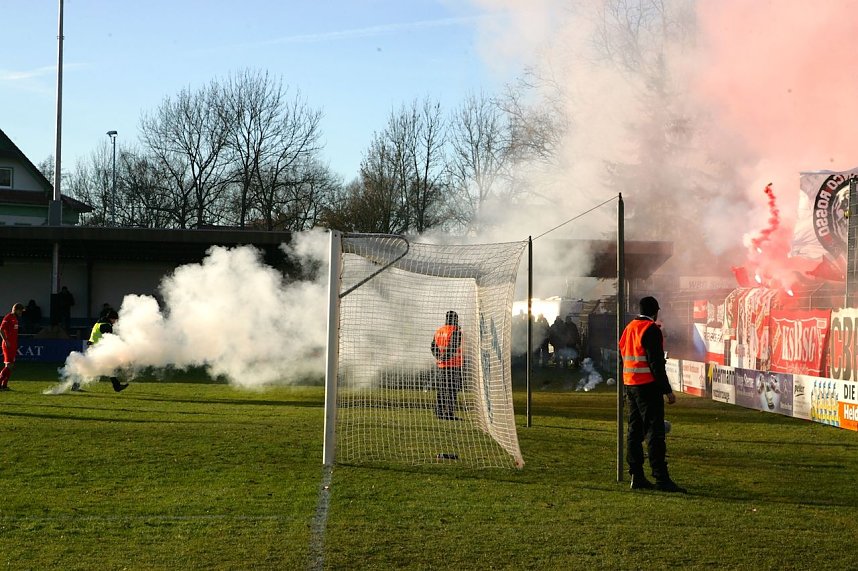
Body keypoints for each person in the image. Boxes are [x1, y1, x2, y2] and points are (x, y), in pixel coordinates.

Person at [619, 296, 686, 493]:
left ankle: (636, 475)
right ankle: (661, 478)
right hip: (647, 387)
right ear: (656, 312)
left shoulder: (629, 327)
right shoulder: (651, 330)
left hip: (630, 384)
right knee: (655, 433)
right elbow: (656, 363)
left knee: (634, 431)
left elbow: (622, 354)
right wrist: (667, 391)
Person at [81, 309, 128, 393]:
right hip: (97, 348)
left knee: (96, 367)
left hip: (93, 347)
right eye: (115, 319)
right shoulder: (106, 326)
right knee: (107, 367)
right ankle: (117, 386)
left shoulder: (99, 323)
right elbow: (108, 339)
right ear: (111, 318)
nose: (115, 322)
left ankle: (117, 386)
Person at [431, 310, 463, 420]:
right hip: (452, 366)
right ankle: (449, 413)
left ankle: (439, 412)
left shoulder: (439, 331)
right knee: (452, 390)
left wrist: (439, 357)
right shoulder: (456, 331)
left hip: (440, 367)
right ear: (455, 319)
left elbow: (433, 347)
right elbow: (453, 347)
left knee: (441, 389)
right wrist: (445, 358)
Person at [0, 303, 25, 390]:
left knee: (11, 365)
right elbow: (1, 329)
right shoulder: (8, 317)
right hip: (8, 345)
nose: (21, 312)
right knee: (9, 365)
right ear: (16, 310)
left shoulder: (15, 319)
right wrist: (6, 340)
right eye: (21, 311)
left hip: (13, 345)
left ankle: (4, 385)